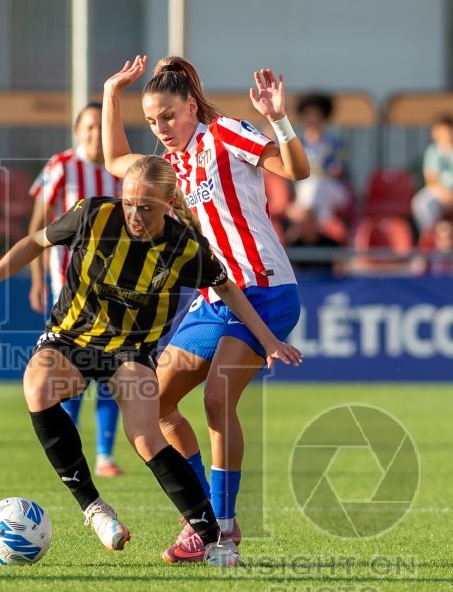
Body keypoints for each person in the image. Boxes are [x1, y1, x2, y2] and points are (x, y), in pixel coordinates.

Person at [0, 155, 301, 566]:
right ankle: (95, 510)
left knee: (147, 437)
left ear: (169, 205)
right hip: (72, 337)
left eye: (147, 207)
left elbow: (228, 289)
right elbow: (35, 242)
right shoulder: (92, 215)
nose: (134, 214)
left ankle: (215, 542)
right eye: (129, 202)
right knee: (38, 387)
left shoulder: (186, 247)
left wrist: (266, 338)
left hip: (130, 351)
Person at [102, 55, 310, 562]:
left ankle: (222, 525)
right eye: (152, 122)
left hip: (266, 292)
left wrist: (278, 119)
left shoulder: (227, 134)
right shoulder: (168, 166)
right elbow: (114, 161)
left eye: (168, 116)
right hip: (214, 299)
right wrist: (111, 93)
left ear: (191, 105)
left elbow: (297, 171)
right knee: (154, 405)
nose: (161, 128)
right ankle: (200, 516)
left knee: (218, 401)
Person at [27, 102, 125, 477]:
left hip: (115, 285)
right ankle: (73, 451)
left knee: (110, 364)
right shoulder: (62, 165)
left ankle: (104, 453)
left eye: (99, 127)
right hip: (67, 286)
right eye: (87, 127)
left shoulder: (120, 169)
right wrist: (37, 279)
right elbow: (38, 225)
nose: (94, 134)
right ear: (77, 131)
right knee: (69, 365)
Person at [288, 92, 352, 243]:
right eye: (308, 114)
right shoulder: (297, 144)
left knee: (315, 185)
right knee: (311, 186)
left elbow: (339, 171)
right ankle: (315, 225)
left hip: (333, 189)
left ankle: (306, 224)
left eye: (316, 114)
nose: (312, 119)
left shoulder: (335, 143)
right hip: (303, 190)